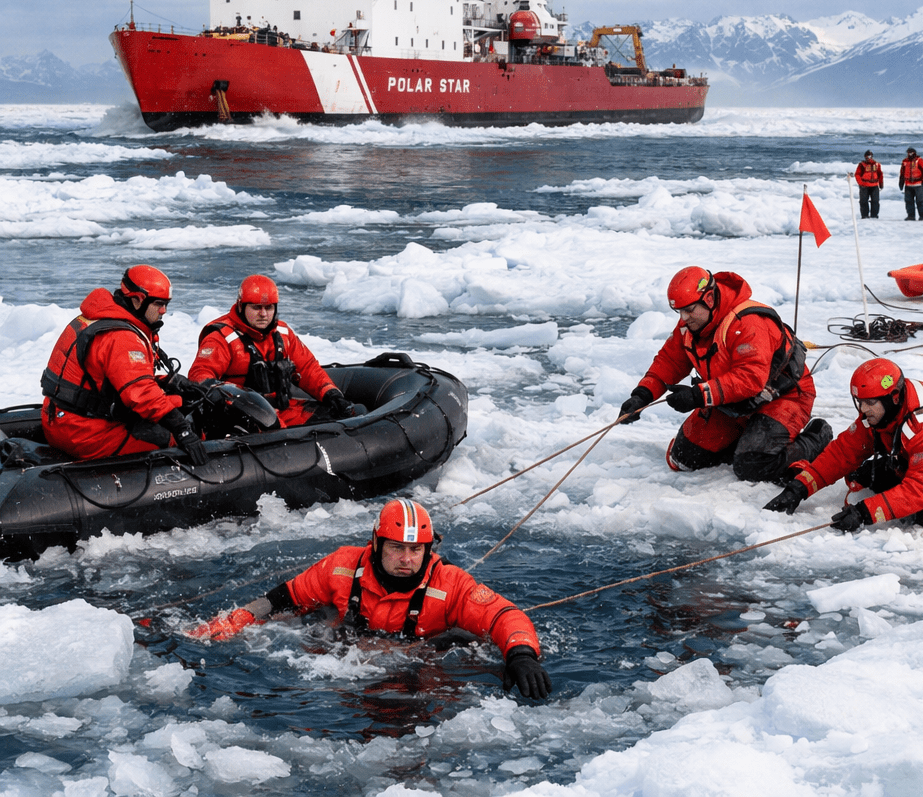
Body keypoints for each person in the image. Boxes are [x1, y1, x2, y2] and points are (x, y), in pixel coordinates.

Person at [188, 499, 552, 700]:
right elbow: (285, 596)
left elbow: (504, 616)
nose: (407, 559)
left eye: (416, 550)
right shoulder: (342, 566)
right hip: (348, 663)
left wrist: (521, 655)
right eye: (397, 548)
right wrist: (238, 619)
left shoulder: (450, 583)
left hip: (421, 662)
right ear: (376, 544)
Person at [618, 267, 830, 482]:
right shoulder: (691, 324)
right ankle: (749, 438)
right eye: (679, 311)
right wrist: (642, 395)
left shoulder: (747, 323)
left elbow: (750, 378)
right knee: (684, 458)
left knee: (752, 466)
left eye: (689, 310)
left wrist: (697, 396)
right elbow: (669, 362)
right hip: (731, 401)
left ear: (709, 299)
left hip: (783, 398)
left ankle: (816, 436)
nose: (683, 317)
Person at [764, 358, 923, 535]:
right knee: (862, 475)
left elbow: (921, 488)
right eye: (859, 402)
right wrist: (798, 488)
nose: (862, 410)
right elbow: (843, 453)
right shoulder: (883, 410)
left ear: (893, 397)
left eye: (869, 403)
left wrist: (865, 513)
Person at [40, 266, 206, 464]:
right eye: (159, 304)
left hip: (59, 420)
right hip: (85, 434)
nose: (164, 311)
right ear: (137, 300)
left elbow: (114, 377)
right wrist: (182, 429)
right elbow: (141, 395)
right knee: (171, 437)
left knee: (177, 401)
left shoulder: (96, 318)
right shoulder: (121, 337)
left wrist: (167, 381)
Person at [188, 274, 357, 428]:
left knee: (348, 413)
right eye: (256, 308)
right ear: (241, 306)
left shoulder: (282, 334)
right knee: (275, 428)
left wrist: (332, 394)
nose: (263, 314)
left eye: (268, 307)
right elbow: (200, 376)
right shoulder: (221, 337)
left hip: (281, 408)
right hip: (241, 418)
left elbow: (307, 368)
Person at [899, 147, 923, 221]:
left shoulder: (919, 160)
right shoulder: (905, 161)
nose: (909, 154)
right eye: (908, 153)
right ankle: (911, 216)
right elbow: (902, 172)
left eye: (911, 152)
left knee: (920, 201)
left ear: (914, 153)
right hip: (908, 185)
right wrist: (901, 182)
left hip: (918, 184)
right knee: (908, 201)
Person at [854, 149, 883, 219]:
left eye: (869, 156)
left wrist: (881, 184)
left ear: (872, 156)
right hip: (864, 185)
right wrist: (861, 183)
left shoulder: (877, 164)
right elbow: (857, 174)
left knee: (875, 201)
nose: (868, 158)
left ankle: (874, 215)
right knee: (863, 201)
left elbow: (880, 174)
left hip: (874, 185)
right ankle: (864, 216)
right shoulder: (861, 165)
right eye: (867, 156)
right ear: (865, 157)